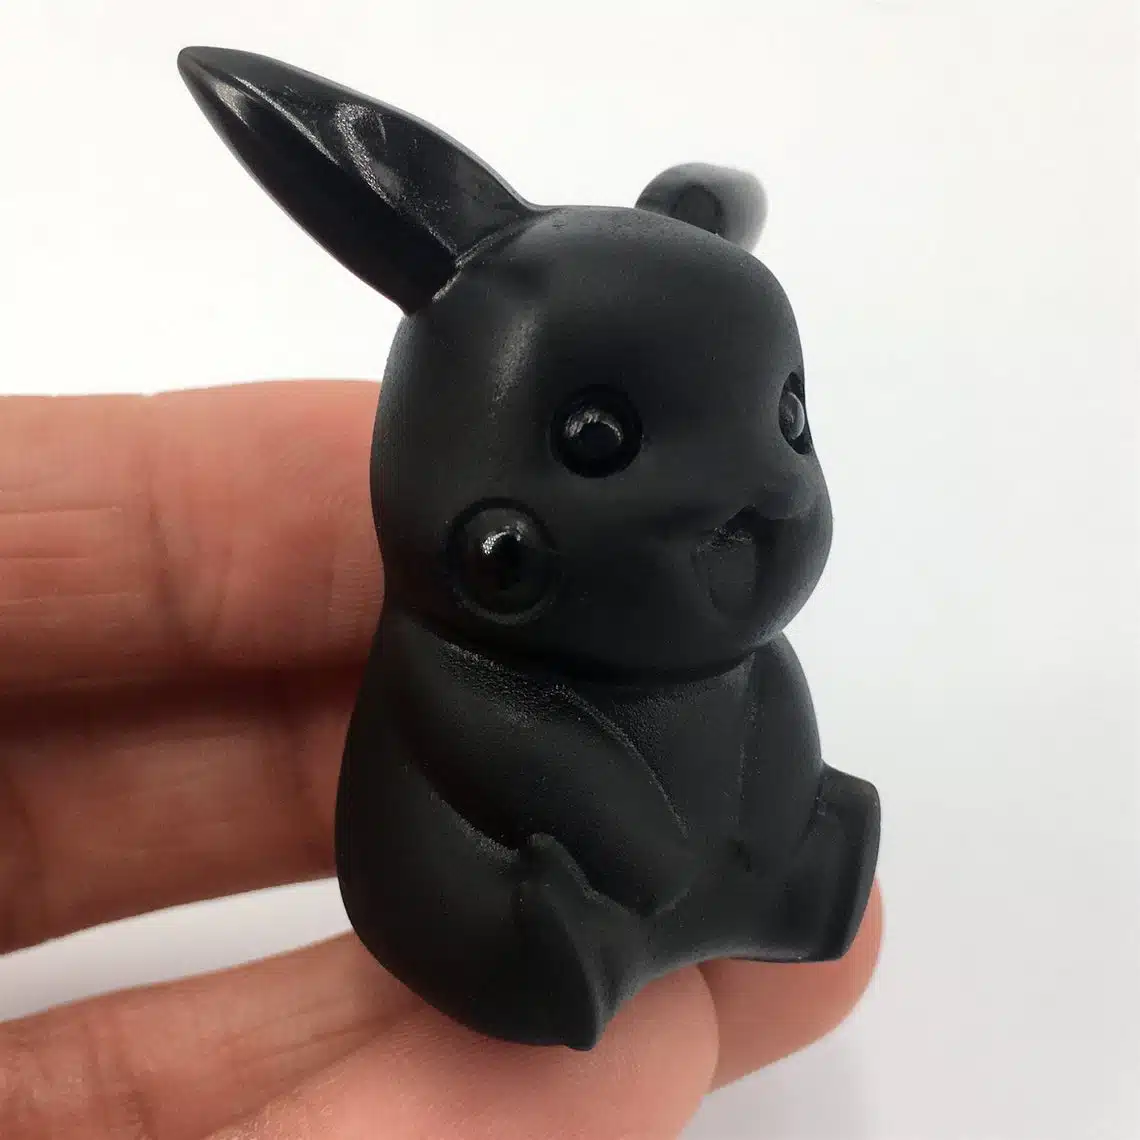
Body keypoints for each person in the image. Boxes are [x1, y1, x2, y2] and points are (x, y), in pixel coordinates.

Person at [0, 381, 882, 1139]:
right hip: (525, 903)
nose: (760, 491)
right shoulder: (459, 676)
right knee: (511, 921)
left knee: (765, 750)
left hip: (695, 852)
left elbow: (773, 715)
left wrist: (772, 809)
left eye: (786, 421)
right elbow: (531, 763)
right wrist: (641, 862)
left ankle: (785, 883)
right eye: (598, 441)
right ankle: (588, 948)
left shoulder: (745, 653)